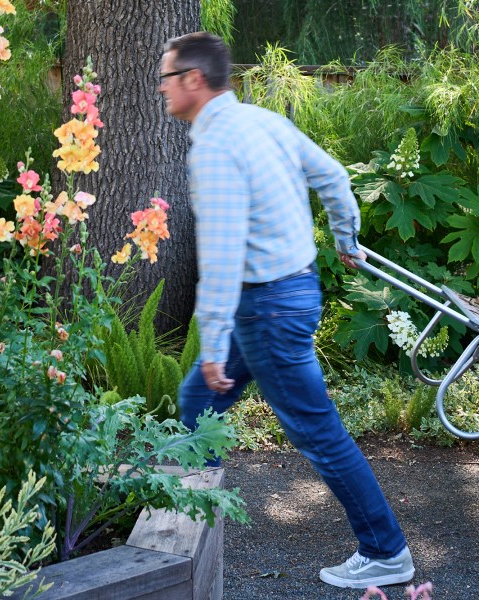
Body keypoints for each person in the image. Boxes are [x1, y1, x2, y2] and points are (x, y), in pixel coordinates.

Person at [160, 31, 415, 590]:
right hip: (287, 293)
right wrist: (346, 238)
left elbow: (223, 254)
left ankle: (385, 550)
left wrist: (212, 336)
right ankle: (181, 538)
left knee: (317, 432)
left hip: (266, 309)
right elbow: (332, 176)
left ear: (194, 81)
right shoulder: (263, 122)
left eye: (167, 79)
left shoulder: (215, 148)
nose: (162, 90)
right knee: (199, 402)